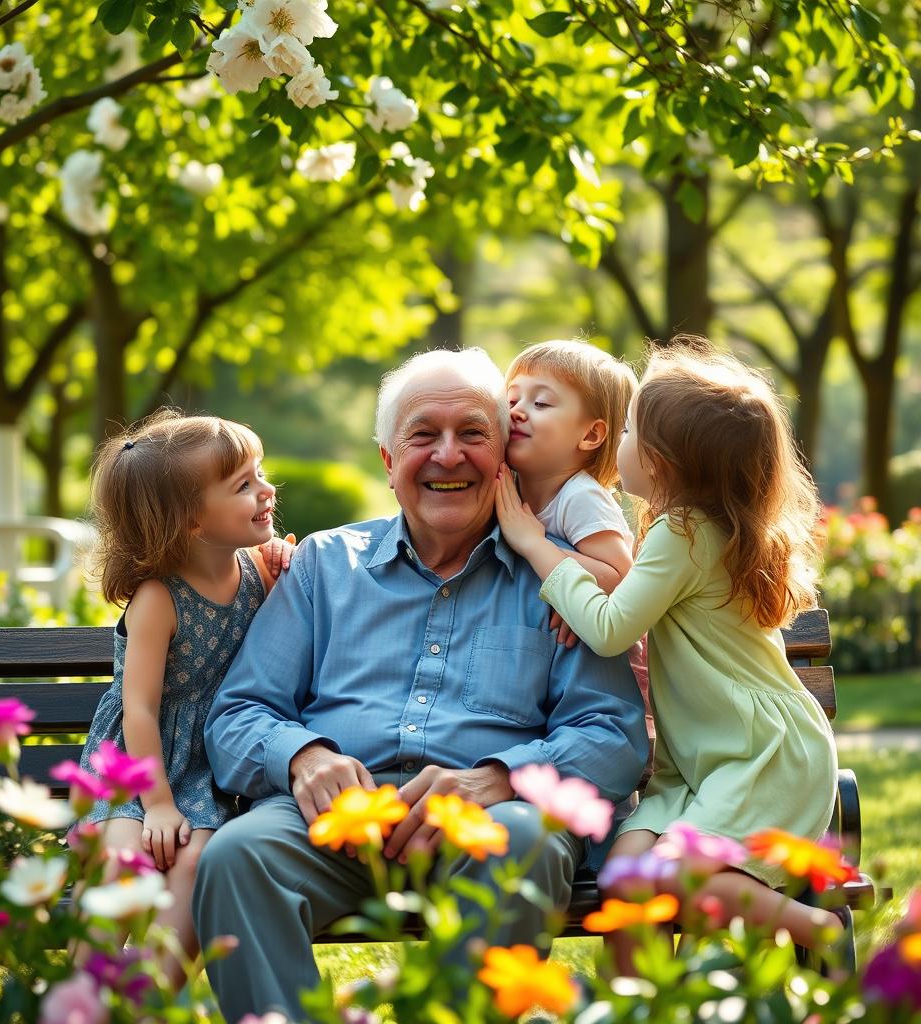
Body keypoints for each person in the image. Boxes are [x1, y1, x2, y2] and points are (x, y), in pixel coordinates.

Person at [194, 348, 649, 1019]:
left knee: (522, 837)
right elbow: (239, 711)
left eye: (472, 434)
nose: (447, 456)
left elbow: (613, 737)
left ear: (505, 457)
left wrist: (497, 778)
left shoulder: (556, 576)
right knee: (237, 856)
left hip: (490, 824)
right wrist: (302, 756)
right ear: (386, 461)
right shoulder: (326, 563)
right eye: (421, 436)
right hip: (337, 827)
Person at [495, 337, 840, 972]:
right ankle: (643, 1005)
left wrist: (532, 541)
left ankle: (815, 929)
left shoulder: (682, 533)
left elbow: (608, 629)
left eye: (627, 430)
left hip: (758, 754)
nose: (619, 443)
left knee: (674, 875)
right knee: (626, 884)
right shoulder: (693, 527)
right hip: (694, 767)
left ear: (658, 461)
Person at [76, 408, 291, 989]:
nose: (267, 490)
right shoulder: (157, 598)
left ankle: (148, 999)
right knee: (125, 862)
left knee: (195, 862)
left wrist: (284, 572)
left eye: (260, 472)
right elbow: (138, 708)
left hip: (213, 765)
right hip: (142, 764)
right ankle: (79, 996)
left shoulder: (254, 571)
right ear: (192, 521)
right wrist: (160, 804)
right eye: (243, 485)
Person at [504, 340, 652, 740]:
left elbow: (621, 577)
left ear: (590, 434)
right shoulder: (509, 485)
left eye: (541, 404)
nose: (517, 411)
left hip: (606, 666)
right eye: (512, 398)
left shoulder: (579, 496)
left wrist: (538, 547)